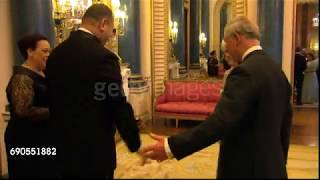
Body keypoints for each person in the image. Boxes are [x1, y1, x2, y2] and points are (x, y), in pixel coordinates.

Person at [140, 16, 293, 178]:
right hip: (273, 167)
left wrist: (170, 147)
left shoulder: (244, 72)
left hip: (246, 168)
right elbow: (285, 125)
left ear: (236, 39)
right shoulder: (277, 71)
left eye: (226, 44)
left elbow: (219, 124)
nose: (226, 51)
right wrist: (278, 162)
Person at [45, 4, 141, 178]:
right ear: (103, 24)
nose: (111, 37)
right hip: (93, 149)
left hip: (61, 146)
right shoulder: (104, 57)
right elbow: (116, 103)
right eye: (112, 30)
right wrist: (134, 141)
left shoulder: (55, 55)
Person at [5, 34, 51, 178]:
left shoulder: (42, 73)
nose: (48, 55)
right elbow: (23, 110)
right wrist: (56, 111)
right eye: (44, 51)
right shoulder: (22, 77)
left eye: (49, 51)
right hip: (24, 140)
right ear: (29, 51)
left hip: (40, 137)